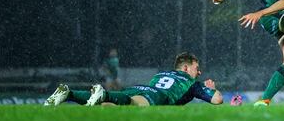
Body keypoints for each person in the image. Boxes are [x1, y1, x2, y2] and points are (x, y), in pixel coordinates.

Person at [44, 52, 223, 106]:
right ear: (185, 68)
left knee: (108, 107)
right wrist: (212, 88)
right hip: (156, 96)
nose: (199, 72)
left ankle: (69, 93)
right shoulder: (192, 83)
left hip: (141, 87)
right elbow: (217, 100)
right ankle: (104, 94)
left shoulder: (161, 74)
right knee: (133, 103)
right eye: (196, 68)